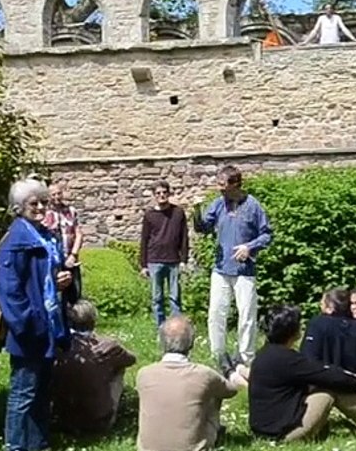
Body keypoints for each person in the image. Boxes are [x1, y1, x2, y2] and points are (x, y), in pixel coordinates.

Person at [0, 177, 74, 451]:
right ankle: (16, 448)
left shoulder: (46, 236)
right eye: (33, 203)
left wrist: (63, 280)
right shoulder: (15, 242)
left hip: (49, 322)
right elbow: (10, 291)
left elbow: (49, 276)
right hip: (30, 328)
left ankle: (38, 441)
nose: (41, 207)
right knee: (23, 390)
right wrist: (28, 325)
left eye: (44, 202)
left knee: (42, 387)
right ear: (19, 208)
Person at [248, 305, 356, 442]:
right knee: (331, 388)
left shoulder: (265, 354)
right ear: (293, 331)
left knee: (326, 384)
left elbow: (318, 372)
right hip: (283, 434)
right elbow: (330, 377)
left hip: (264, 431)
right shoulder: (288, 359)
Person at [136, 316, 242, 451]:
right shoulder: (204, 374)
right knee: (213, 394)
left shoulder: (144, 374)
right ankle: (206, 433)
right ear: (191, 343)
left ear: (162, 342)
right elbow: (230, 391)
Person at [194, 166, 273, 361]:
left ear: (235, 184)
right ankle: (218, 355)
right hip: (221, 269)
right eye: (218, 184)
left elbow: (267, 235)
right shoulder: (219, 204)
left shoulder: (253, 205)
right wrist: (196, 211)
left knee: (246, 315)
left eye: (223, 184)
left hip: (244, 271)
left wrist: (250, 247)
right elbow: (203, 228)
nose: (219, 189)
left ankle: (246, 356)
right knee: (215, 314)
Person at [51, 300, 137, 436]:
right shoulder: (109, 346)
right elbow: (131, 359)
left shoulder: (57, 347)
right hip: (98, 422)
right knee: (120, 368)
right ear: (93, 320)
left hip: (61, 419)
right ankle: (109, 409)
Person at [139, 180, 189, 326]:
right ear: (154, 196)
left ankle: (176, 328)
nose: (162, 196)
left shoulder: (178, 212)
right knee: (157, 298)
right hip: (154, 260)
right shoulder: (149, 215)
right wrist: (143, 264)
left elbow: (184, 237)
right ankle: (161, 329)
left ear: (169, 193)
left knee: (175, 297)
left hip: (173, 260)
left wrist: (184, 259)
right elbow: (144, 239)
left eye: (164, 192)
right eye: (158, 193)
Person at [42, 177, 84, 303]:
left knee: (74, 296)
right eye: (53, 194)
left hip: (70, 260)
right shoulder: (44, 213)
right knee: (55, 298)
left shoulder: (71, 211)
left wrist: (73, 255)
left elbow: (79, 234)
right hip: (52, 263)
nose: (57, 197)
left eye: (59, 193)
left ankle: (74, 321)